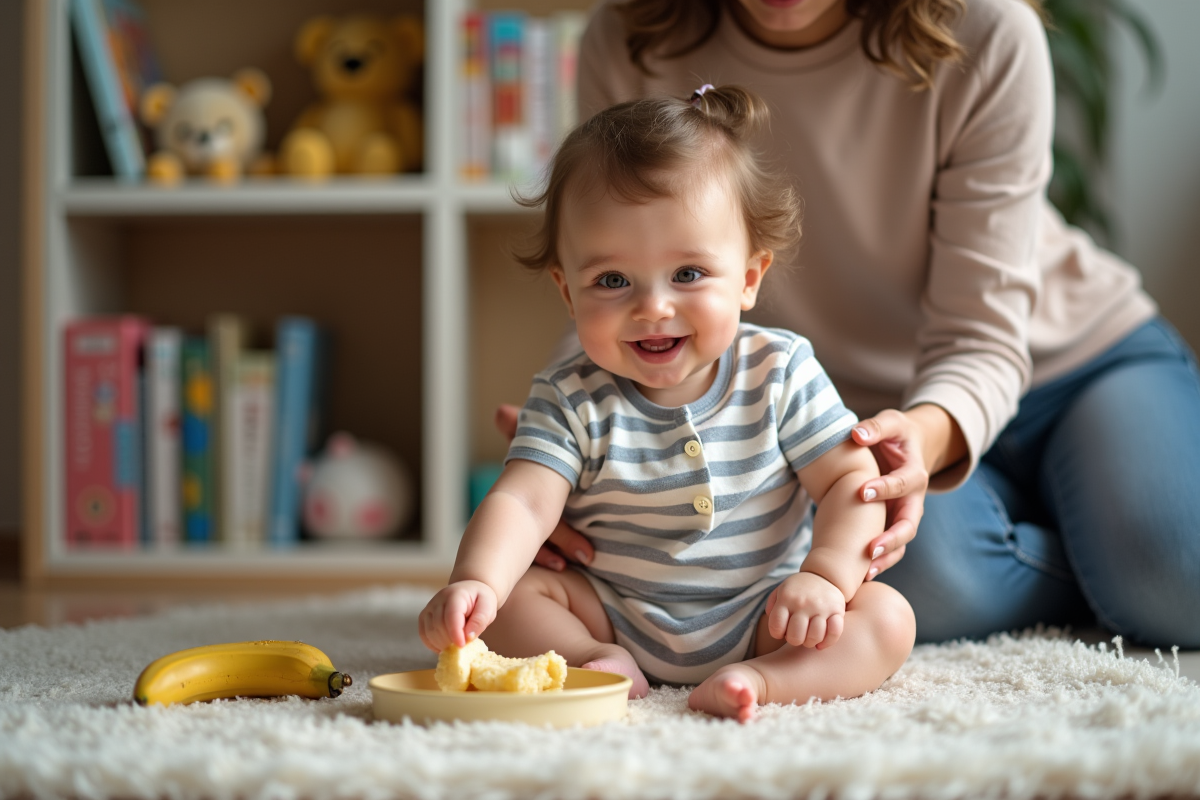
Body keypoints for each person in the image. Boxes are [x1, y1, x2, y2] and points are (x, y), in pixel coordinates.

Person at [507, 0, 1200, 649]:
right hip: (853, 409)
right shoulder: (631, 37)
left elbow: (980, 336)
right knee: (899, 574)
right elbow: (628, 275)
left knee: (1171, 581)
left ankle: (1091, 534)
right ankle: (1079, 538)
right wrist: (568, 446)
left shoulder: (985, 28)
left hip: (1074, 362)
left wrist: (925, 441)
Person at [421, 86, 916, 722]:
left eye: (687, 274)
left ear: (748, 278)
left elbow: (851, 479)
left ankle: (762, 681)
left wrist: (825, 575)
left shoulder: (781, 370)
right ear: (567, 293)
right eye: (612, 280)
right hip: (611, 608)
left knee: (885, 619)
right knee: (512, 602)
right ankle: (596, 660)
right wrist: (478, 582)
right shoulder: (567, 395)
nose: (652, 306)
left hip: (767, 610)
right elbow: (522, 499)